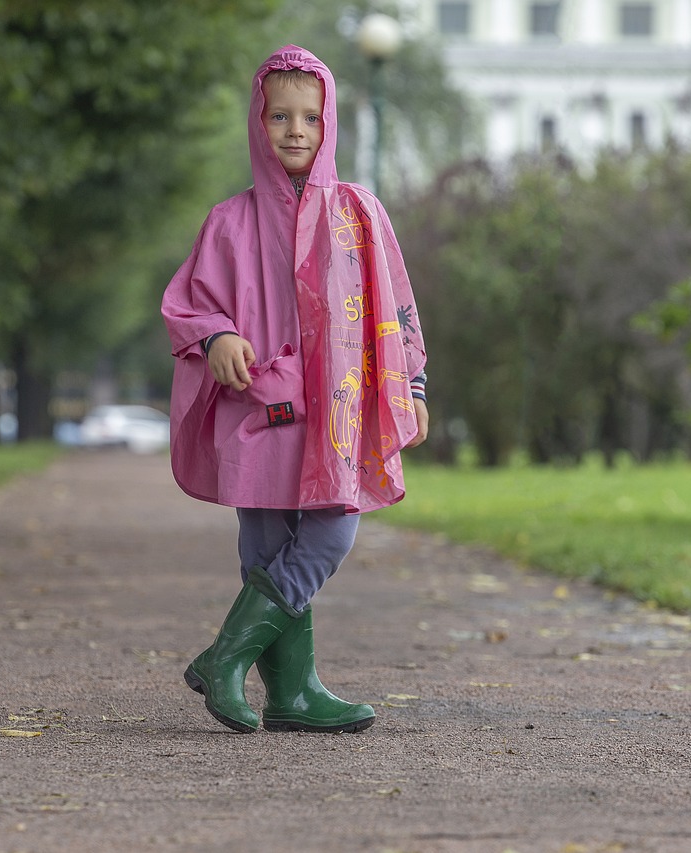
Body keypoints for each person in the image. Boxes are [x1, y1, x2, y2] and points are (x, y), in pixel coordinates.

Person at [161, 45, 428, 735]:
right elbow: (193, 301)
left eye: (311, 116)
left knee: (334, 529)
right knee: (264, 546)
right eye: (279, 115)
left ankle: (225, 656)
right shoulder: (228, 221)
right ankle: (292, 693)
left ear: (330, 120)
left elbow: (396, 308)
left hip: (339, 417)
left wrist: (415, 385)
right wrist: (217, 336)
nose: (295, 130)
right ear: (258, 121)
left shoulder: (361, 214)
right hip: (261, 410)